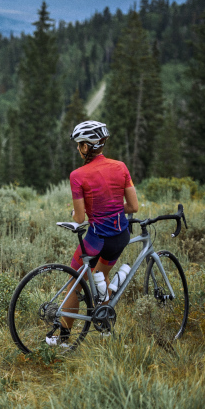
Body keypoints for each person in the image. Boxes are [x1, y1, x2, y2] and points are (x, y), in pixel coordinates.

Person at [47, 120, 139, 347]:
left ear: (87, 147)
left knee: (73, 285)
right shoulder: (121, 167)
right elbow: (133, 207)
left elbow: (79, 219)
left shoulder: (78, 175)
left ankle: (64, 340)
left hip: (96, 240)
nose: (78, 149)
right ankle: (105, 328)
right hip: (120, 237)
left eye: (79, 145)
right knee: (102, 277)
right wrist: (112, 210)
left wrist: (86, 212)